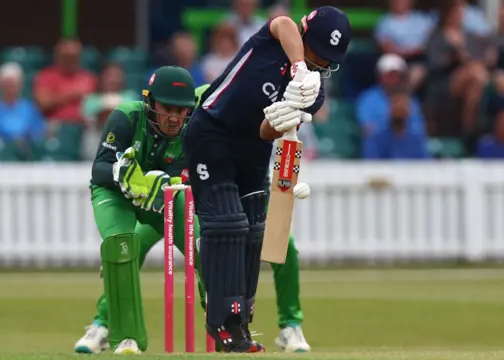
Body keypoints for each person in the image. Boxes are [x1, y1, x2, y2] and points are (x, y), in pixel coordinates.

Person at [73, 84, 312, 355]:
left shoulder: (252, 117)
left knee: (283, 243)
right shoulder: (204, 107)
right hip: (176, 200)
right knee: (129, 247)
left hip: (229, 200)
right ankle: (103, 324)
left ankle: (287, 325)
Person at [182, 6, 351, 353]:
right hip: (212, 132)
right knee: (227, 223)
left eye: (324, 60)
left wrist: (287, 109)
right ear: (306, 38)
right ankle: (221, 320)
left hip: (252, 148)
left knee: (254, 228)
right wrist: (300, 68)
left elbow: (265, 133)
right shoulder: (275, 41)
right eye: (316, 52)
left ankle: (240, 319)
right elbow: (283, 23)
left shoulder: (313, 93)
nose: (319, 63)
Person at [74, 66, 197, 355]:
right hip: (117, 195)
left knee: (203, 246)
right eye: (167, 108)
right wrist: (125, 175)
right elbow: (99, 169)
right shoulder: (127, 116)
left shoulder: (194, 130)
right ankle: (115, 332)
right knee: (122, 247)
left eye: (181, 111)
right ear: (150, 102)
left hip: (162, 201)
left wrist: (166, 183)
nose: (174, 118)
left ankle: (228, 329)